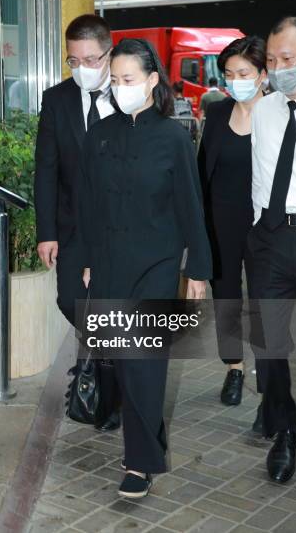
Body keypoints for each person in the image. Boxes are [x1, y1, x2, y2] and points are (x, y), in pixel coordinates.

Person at [78, 38, 212, 499]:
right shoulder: (101, 132)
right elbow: (91, 205)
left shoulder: (173, 137)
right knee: (122, 359)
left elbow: (191, 206)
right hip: (111, 260)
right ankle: (144, 443)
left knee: (145, 363)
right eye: (114, 80)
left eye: (128, 80)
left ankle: (139, 462)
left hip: (156, 262)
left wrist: (198, 269)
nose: (120, 88)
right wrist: (90, 260)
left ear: (153, 80)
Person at [249, 16, 296, 491]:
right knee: (269, 347)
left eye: (287, 60)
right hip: (271, 239)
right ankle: (286, 429)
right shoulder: (265, 110)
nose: (278, 69)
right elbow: (260, 178)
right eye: (272, 61)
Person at [34, 14, 120, 432]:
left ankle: (109, 382)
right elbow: (45, 170)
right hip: (71, 226)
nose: (82, 67)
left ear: (108, 53)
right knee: (71, 300)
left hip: (119, 226)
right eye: (73, 60)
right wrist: (46, 232)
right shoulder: (57, 100)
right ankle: (100, 360)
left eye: (90, 59)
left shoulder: (129, 92)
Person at [198, 36, 267, 421]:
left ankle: (269, 377)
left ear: (263, 74)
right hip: (220, 223)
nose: (235, 80)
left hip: (263, 225)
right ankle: (234, 368)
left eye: (243, 73)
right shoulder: (218, 113)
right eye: (229, 73)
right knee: (225, 299)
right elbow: (202, 170)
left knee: (264, 301)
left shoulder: (278, 114)